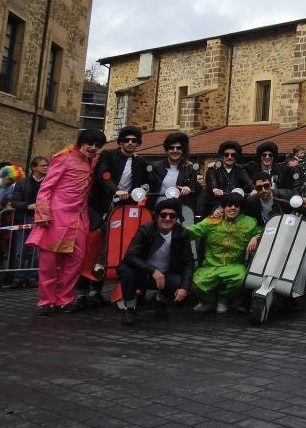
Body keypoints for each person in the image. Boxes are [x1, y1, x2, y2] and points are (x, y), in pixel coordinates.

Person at [26, 129, 106, 315]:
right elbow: (46, 187)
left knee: (76, 260)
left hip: (79, 217)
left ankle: (64, 299)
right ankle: (46, 301)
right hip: (57, 216)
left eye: (97, 146)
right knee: (49, 262)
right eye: (90, 144)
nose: (93, 148)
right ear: (81, 143)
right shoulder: (63, 158)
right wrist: (43, 215)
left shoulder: (92, 161)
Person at [84, 125, 152, 307]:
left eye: (134, 141)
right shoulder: (108, 156)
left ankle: (128, 288)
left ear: (138, 143)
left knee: (127, 242)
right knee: (104, 236)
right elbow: (103, 176)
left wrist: (144, 189)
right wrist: (117, 190)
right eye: (127, 140)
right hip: (104, 206)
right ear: (121, 141)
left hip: (127, 208)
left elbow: (148, 181)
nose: (130, 143)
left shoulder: (141, 162)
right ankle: (93, 285)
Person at [117, 197, 195, 325]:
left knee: (179, 281)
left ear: (177, 218)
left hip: (167, 275)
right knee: (126, 270)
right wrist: (153, 271)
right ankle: (130, 307)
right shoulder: (145, 230)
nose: (168, 218)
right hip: (143, 273)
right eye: (163, 215)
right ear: (157, 216)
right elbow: (130, 256)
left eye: (172, 215)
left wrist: (184, 288)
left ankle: (160, 299)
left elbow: (188, 262)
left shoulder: (182, 234)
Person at [186, 192, 262, 314]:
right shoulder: (212, 221)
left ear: (240, 208)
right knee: (196, 283)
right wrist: (171, 230)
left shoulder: (249, 222)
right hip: (211, 266)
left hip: (235, 266)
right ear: (224, 207)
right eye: (229, 205)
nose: (232, 208)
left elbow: (264, 231)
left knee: (242, 279)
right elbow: (192, 231)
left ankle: (223, 300)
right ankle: (207, 302)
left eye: (236, 206)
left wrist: (256, 237)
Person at [4, 157, 48, 287]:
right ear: (34, 168)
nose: (46, 167)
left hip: (42, 220)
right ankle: (18, 277)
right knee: (20, 250)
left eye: (46, 165)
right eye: (43, 165)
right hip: (25, 218)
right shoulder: (22, 183)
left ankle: (32, 276)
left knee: (36, 251)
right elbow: (15, 201)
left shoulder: (49, 183)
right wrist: (28, 206)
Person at [198, 141, 253, 219]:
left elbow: (248, 181)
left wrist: (253, 189)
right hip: (218, 203)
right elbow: (212, 180)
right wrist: (215, 189)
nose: (229, 157)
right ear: (222, 156)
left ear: (236, 156)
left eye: (233, 155)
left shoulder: (240, 169)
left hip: (237, 203)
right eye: (226, 154)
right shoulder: (213, 169)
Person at [147, 132, 201, 212]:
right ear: (167, 150)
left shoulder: (190, 168)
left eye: (179, 148)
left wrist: (188, 189)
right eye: (171, 148)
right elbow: (147, 183)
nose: (175, 150)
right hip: (156, 209)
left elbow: (196, 190)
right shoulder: (156, 166)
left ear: (183, 150)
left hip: (179, 210)